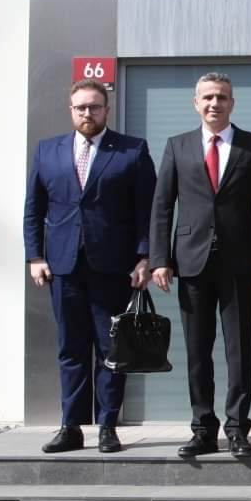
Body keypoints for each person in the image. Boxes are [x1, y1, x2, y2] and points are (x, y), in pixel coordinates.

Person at [149, 72, 251, 458]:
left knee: (239, 349)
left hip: (240, 262)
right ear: (196, 103)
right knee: (197, 351)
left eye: (222, 97)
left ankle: (237, 428)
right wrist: (160, 259)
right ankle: (203, 429)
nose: (214, 103)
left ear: (232, 103)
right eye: (207, 97)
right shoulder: (177, 146)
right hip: (192, 262)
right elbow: (162, 206)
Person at [23, 78, 156, 454]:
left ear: (106, 110)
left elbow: (148, 210)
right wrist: (35, 256)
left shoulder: (132, 150)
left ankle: (108, 427)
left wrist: (145, 256)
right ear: (71, 110)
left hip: (114, 267)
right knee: (71, 349)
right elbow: (33, 208)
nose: (87, 113)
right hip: (63, 267)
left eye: (94, 107)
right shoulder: (48, 151)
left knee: (112, 349)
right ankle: (71, 427)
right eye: (81, 107)